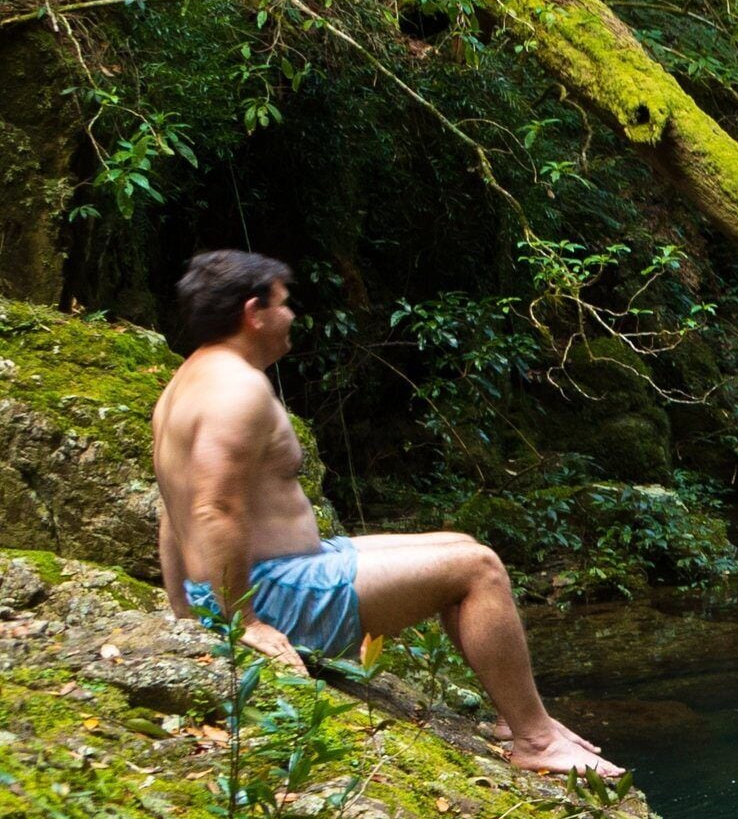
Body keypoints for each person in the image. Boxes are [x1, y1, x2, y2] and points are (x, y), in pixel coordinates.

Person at [150, 251, 620, 776]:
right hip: (274, 596)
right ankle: (536, 742)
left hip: (254, 585)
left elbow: (174, 506)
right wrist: (245, 624)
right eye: (285, 305)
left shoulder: (185, 383)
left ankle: (518, 715)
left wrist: (185, 611)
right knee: (478, 569)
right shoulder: (236, 389)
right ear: (253, 311)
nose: (293, 318)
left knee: (460, 545)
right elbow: (213, 507)